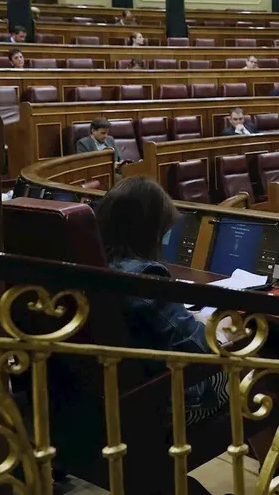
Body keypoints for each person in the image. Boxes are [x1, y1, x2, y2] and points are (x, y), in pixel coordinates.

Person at [95, 177, 231, 425]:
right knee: (260, 366)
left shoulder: (96, 263)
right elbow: (196, 346)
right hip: (167, 401)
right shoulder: (145, 276)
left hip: (106, 397)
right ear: (147, 231)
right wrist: (219, 331)